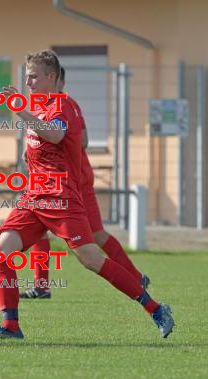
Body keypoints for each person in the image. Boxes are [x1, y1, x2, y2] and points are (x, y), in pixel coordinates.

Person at [0, 49, 174, 340]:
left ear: (52, 77)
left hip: (61, 198)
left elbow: (56, 135)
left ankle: (155, 308)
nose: (29, 83)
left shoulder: (62, 106)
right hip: (34, 197)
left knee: (90, 258)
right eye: (26, 77)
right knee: (1, 254)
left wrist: (20, 111)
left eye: (34, 76)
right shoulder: (38, 105)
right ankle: (11, 327)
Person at [20, 67, 150, 299]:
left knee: (96, 235)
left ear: (56, 80)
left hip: (74, 180)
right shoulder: (45, 108)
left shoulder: (67, 106)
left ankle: (136, 278)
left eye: (36, 77)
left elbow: (84, 140)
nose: (31, 83)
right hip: (51, 183)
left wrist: (55, 139)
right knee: (39, 230)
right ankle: (41, 286)